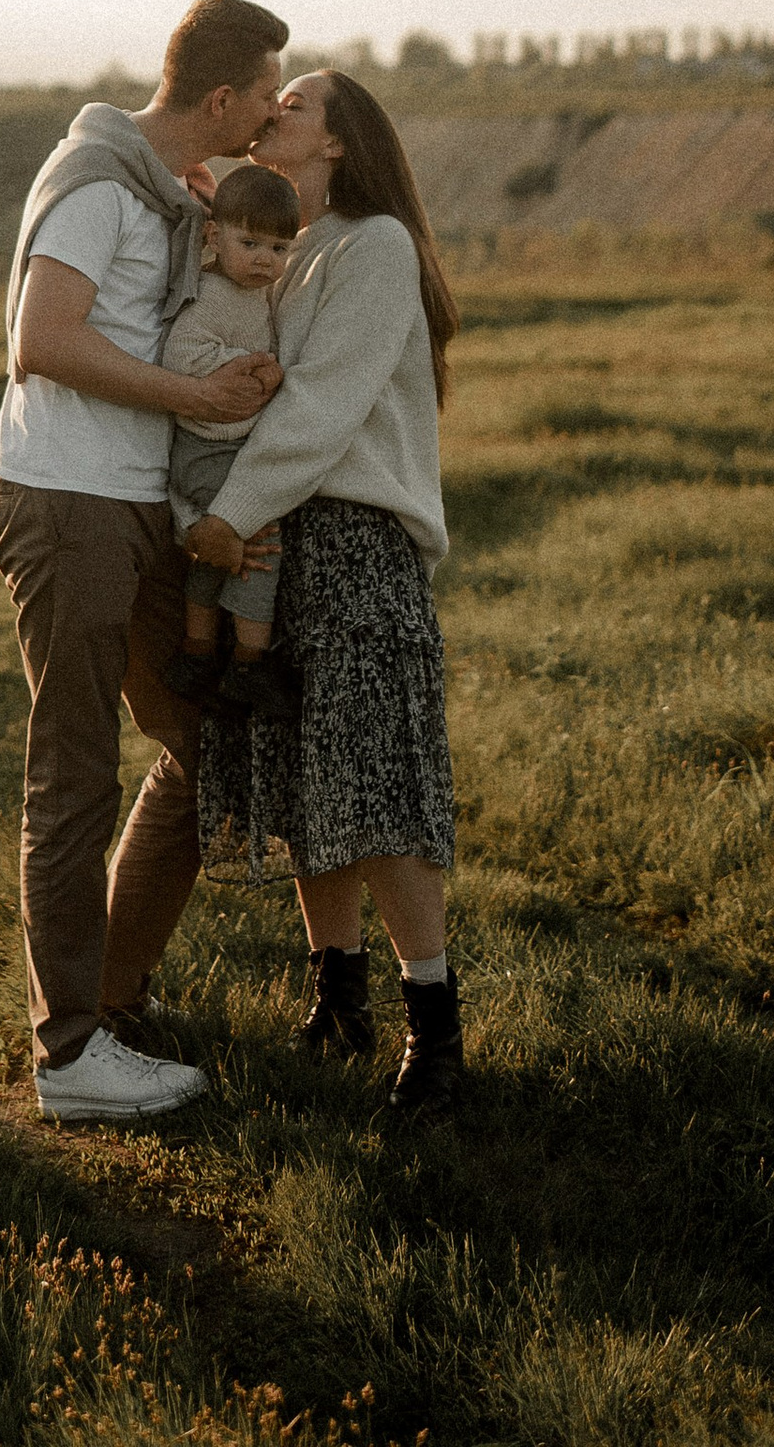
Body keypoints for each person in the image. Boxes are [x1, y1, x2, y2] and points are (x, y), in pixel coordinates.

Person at [0, 0, 291, 1125]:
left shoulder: (160, 191)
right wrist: (194, 396)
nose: (271, 112)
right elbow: (42, 341)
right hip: (66, 499)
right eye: (264, 93)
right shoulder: (99, 187)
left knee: (206, 739)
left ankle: (107, 1003)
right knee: (73, 771)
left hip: (127, 505)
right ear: (220, 98)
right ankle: (69, 1059)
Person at [186, 68, 467, 1117]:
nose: (271, 116)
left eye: (293, 106)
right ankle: (338, 1002)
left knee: (381, 788)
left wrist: (227, 513)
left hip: (350, 541)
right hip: (280, 538)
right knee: (309, 782)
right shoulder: (296, 253)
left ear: (339, 141)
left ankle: (433, 1032)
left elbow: (321, 407)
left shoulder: (376, 247)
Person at [156, 159, 303, 709]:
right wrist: (255, 363)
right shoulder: (213, 295)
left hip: (221, 445)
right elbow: (181, 355)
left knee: (217, 553)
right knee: (260, 541)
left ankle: (198, 652)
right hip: (205, 448)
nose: (265, 260)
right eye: (251, 244)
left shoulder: (252, 293)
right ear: (215, 237)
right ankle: (248, 663)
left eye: (279, 250)